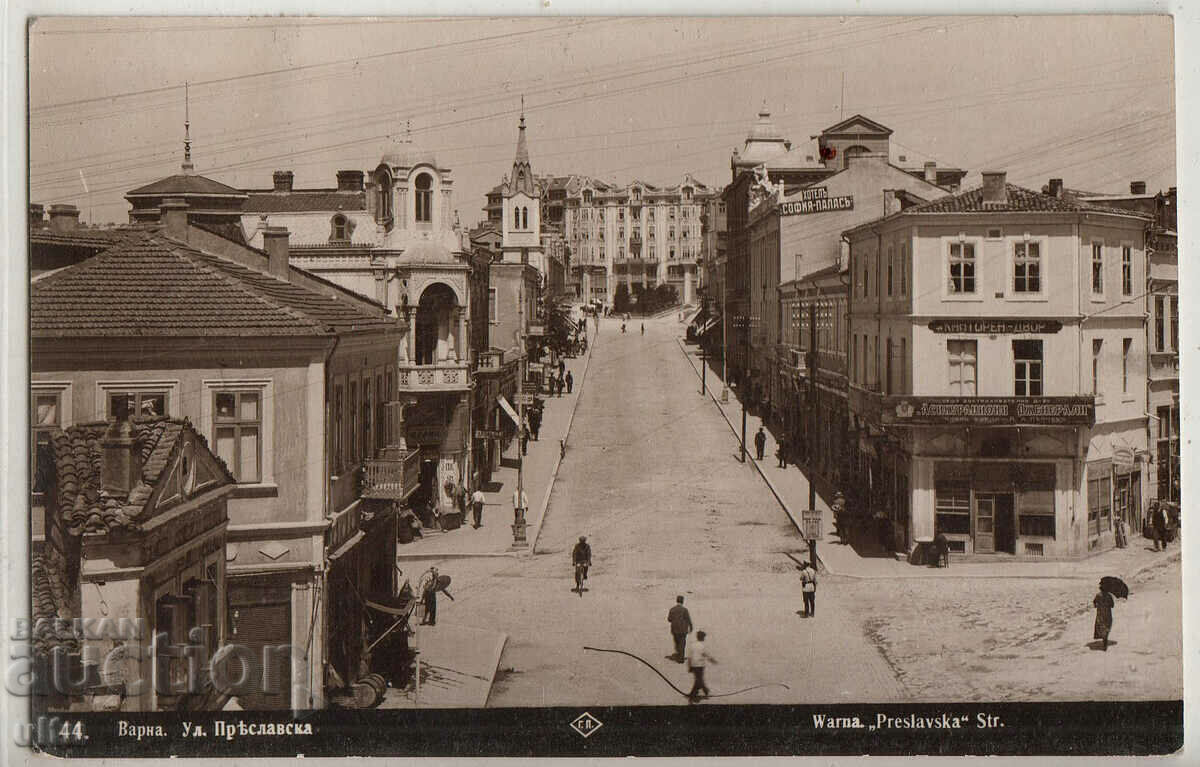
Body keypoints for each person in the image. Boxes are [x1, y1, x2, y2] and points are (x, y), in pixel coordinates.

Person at [686, 630, 716, 703]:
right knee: (699, 679)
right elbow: (706, 654)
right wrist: (712, 660)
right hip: (700, 665)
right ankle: (702, 692)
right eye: (704, 637)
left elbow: (689, 657)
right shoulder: (702, 646)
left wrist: (689, 666)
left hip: (694, 664)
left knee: (698, 679)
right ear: (702, 637)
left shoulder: (692, 645)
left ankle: (695, 692)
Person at [667, 596, 693, 663]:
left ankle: (679, 655)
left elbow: (669, 619)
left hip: (674, 629)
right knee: (682, 643)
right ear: (682, 601)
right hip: (683, 630)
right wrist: (691, 627)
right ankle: (681, 658)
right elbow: (688, 619)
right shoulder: (685, 610)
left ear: (677, 601)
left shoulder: (672, 609)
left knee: (677, 643)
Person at [1093, 582, 1115, 651]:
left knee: (1101, 626)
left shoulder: (1098, 595)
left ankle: (1104, 639)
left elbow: (1094, 602)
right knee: (1107, 625)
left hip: (1100, 614)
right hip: (1108, 614)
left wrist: (1097, 605)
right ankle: (1105, 639)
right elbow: (1112, 605)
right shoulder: (1109, 596)